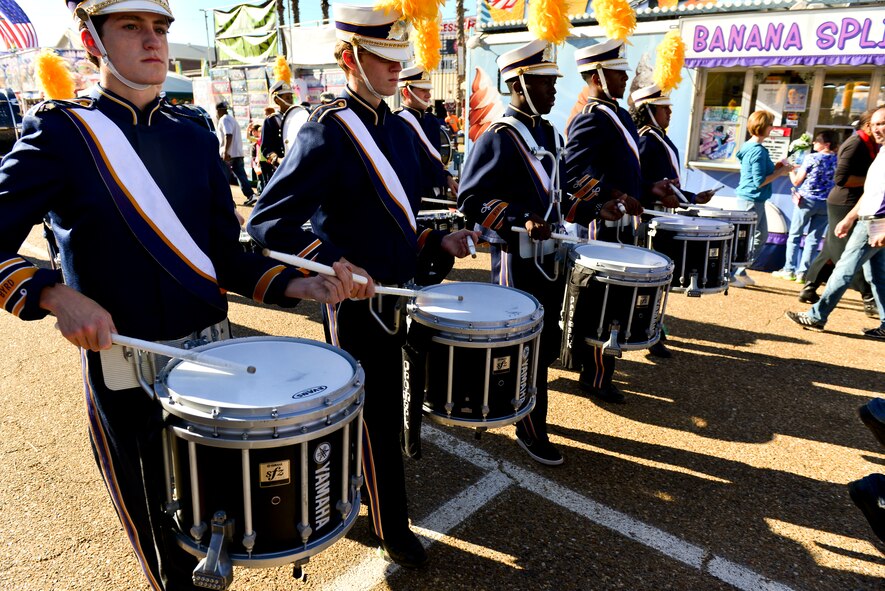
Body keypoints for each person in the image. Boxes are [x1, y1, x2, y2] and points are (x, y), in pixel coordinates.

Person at [0, 2, 358, 589]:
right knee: (164, 547)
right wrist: (54, 294)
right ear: (94, 39)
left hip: (210, 371)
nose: (153, 42)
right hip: (127, 373)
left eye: (161, 28)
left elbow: (224, 253)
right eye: (131, 27)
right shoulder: (62, 134)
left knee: (219, 524)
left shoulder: (192, 136)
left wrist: (300, 282)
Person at [247, 4, 479, 568]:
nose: (398, 67)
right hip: (357, 303)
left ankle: (374, 502)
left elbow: (397, 225)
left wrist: (435, 245)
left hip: (400, 293)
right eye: (384, 56)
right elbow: (266, 222)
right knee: (373, 413)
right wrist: (331, 262)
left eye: (401, 55)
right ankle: (390, 525)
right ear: (350, 57)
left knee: (390, 408)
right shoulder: (327, 131)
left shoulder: (397, 130)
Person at [458, 40, 624, 465]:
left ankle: (526, 409)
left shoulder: (547, 132)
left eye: (552, 83)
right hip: (515, 256)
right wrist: (517, 217)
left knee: (544, 340)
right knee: (523, 342)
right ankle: (530, 425)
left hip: (549, 255)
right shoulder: (498, 135)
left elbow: (559, 191)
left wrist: (593, 206)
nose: (553, 91)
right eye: (544, 83)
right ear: (517, 85)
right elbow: (471, 199)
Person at [562, 38, 649, 404]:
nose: (626, 75)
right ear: (598, 76)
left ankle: (601, 366)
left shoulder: (620, 115)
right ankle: (594, 373)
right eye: (618, 70)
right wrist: (606, 197)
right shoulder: (592, 118)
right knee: (603, 301)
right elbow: (572, 171)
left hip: (621, 220)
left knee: (617, 301)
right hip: (602, 222)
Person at [785, 105, 885, 339]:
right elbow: (871, 192)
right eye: (875, 124)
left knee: (844, 268)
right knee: (878, 276)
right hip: (868, 218)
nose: (878, 128)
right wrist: (850, 218)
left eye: (883, 123)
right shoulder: (881, 152)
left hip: (876, 222)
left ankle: (817, 316)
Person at [629, 83, 714, 358]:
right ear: (649, 110)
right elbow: (636, 184)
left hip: (662, 216)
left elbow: (668, 186)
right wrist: (653, 195)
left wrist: (692, 197)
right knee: (650, 278)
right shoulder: (645, 139)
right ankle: (648, 331)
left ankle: (654, 328)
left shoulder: (660, 138)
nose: (669, 112)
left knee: (661, 279)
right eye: (664, 108)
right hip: (646, 219)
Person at [731, 110, 794, 287]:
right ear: (763, 126)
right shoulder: (758, 151)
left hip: (753, 199)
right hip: (752, 199)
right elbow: (759, 181)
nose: (772, 128)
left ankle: (740, 270)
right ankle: (732, 272)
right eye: (770, 125)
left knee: (758, 236)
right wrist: (782, 171)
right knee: (746, 239)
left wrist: (776, 168)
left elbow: (757, 174)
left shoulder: (749, 146)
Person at [772, 131, 838, 282]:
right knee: (814, 239)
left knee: (795, 235)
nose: (814, 143)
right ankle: (804, 272)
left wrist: (789, 169)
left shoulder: (811, 158)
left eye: (817, 141)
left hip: (806, 201)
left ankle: (789, 269)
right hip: (826, 202)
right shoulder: (838, 159)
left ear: (826, 144)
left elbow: (796, 181)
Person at [396, 65, 458, 199]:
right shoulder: (396, 123)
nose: (429, 95)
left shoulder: (431, 121)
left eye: (429, 90)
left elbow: (433, 161)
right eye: (423, 90)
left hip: (435, 195)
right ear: (407, 92)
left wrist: (446, 177)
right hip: (412, 196)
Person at [215, 100, 257, 206]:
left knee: (223, 178)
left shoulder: (224, 119)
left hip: (229, 154)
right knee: (241, 176)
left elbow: (228, 135)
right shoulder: (231, 119)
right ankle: (251, 195)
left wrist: (225, 151)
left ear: (220, 110)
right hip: (237, 153)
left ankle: (227, 200)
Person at [260, 79, 295, 172]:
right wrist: (278, 159)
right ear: (277, 100)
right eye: (287, 98)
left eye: (291, 97)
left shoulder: (297, 117)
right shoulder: (271, 120)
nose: (291, 100)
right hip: (281, 169)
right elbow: (266, 149)